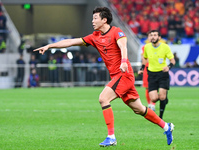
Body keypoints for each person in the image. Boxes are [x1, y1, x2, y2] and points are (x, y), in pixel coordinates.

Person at [34, 7, 174, 147]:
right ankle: (166, 127)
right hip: (117, 76)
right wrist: (50, 46)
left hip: (124, 74)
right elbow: (70, 42)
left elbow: (123, 46)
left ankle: (111, 137)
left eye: (95, 18)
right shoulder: (94, 37)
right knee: (138, 109)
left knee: (103, 98)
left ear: (104, 20)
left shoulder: (116, 32)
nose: (92, 21)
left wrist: (124, 61)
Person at [138, 30, 175, 119]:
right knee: (154, 99)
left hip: (163, 74)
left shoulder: (165, 47)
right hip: (152, 74)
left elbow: (172, 61)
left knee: (161, 96)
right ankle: (164, 98)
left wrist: (168, 67)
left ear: (159, 37)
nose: (153, 37)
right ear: (149, 38)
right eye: (151, 35)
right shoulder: (146, 47)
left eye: (155, 35)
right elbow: (145, 58)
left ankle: (160, 117)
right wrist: (142, 68)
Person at [141, 33, 156, 111]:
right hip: (147, 69)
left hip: (156, 69)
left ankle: (153, 104)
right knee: (147, 88)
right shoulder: (144, 47)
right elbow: (143, 58)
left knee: (155, 87)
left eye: (153, 36)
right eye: (150, 36)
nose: (152, 37)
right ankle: (149, 104)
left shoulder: (158, 47)